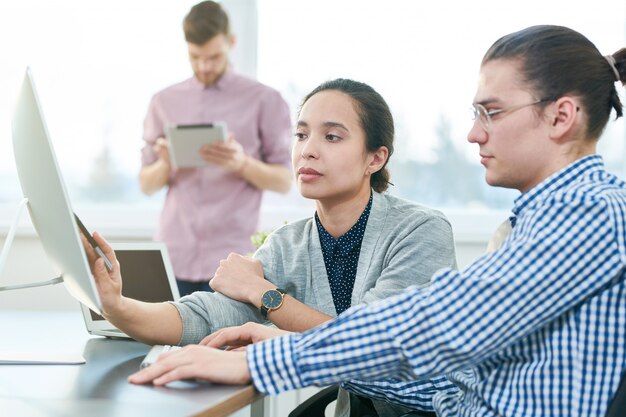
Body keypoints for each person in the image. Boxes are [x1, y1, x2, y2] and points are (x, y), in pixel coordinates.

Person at [128, 25, 626, 417]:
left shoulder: (586, 212)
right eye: (302, 135)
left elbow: (433, 325)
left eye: (490, 112)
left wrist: (263, 361)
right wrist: (286, 341)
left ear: (562, 117)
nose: (474, 133)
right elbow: (451, 384)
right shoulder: (548, 217)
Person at [89, 78, 458, 416]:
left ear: (375, 158)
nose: (307, 151)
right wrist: (118, 307)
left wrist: (264, 293)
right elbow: (209, 315)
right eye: (300, 135)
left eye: (332, 137)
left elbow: (368, 345)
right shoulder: (289, 243)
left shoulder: (421, 231)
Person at [139, 1, 292, 296]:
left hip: (234, 261)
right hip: (174, 256)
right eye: (195, 57)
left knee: (225, 342)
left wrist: (242, 163)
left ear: (231, 42)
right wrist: (165, 163)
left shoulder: (265, 100)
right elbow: (146, 184)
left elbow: (285, 181)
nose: (204, 66)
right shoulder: (163, 101)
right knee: (165, 342)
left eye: (214, 56)